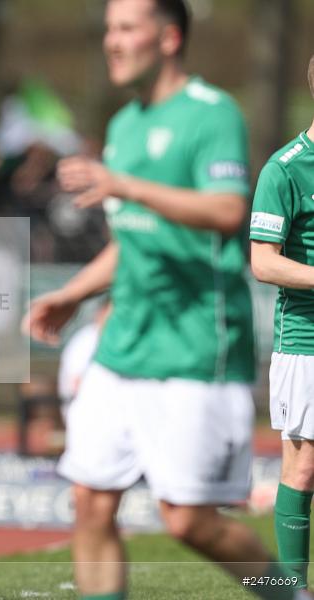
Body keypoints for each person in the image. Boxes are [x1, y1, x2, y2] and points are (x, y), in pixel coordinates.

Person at [22, 1, 307, 599]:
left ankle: (287, 594)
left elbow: (227, 212)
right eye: (108, 30)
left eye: (127, 29)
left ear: (170, 37)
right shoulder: (125, 126)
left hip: (195, 351)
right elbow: (136, 240)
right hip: (123, 347)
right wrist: (74, 294)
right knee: (91, 503)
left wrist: (124, 184)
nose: (113, 43)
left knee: (189, 522)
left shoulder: (212, 115)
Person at [249, 54, 314, 591]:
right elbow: (264, 260)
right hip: (307, 342)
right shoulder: (286, 168)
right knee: (304, 470)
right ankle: (292, 587)